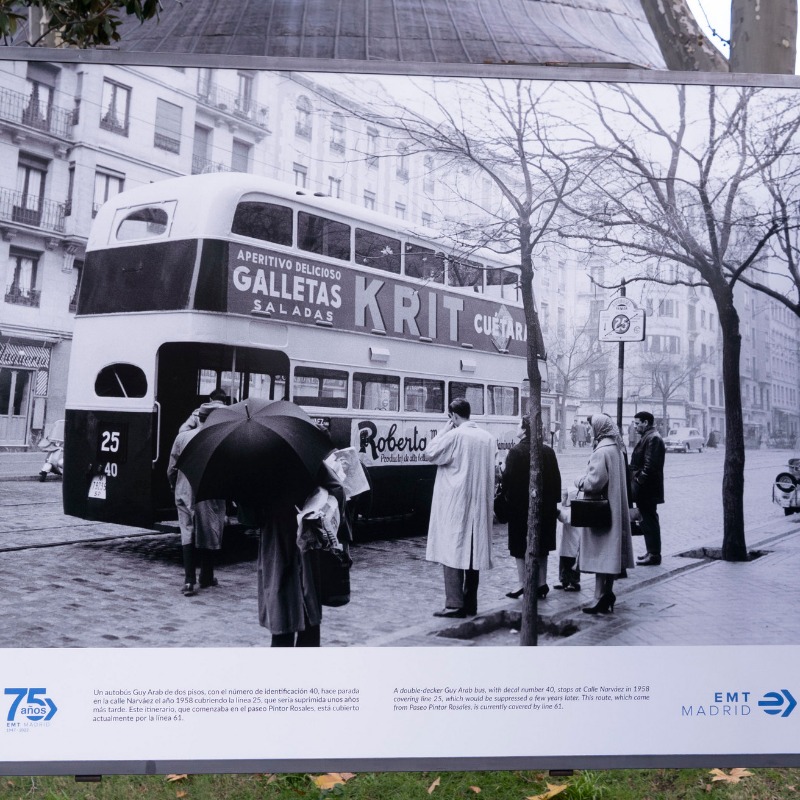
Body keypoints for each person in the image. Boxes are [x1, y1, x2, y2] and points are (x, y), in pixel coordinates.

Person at [251, 461, 349, 647]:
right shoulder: (305, 457)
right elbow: (337, 490)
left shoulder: (258, 464)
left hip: (276, 543)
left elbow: (250, 516)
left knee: (282, 613)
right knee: (308, 611)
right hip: (304, 539)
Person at [424, 398, 496, 618]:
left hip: (455, 502)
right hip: (478, 502)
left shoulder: (455, 435)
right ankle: (470, 602)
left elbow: (430, 453)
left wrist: (444, 430)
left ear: (453, 416)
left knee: (452, 549)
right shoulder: (487, 438)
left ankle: (454, 603)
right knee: (473, 552)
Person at [574, 413, 635, 614]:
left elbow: (594, 482)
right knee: (610, 555)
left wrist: (580, 482)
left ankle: (599, 596)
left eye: (592, 427)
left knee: (601, 554)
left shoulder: (601, 451)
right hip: (614, 508)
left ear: (600, 428)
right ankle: (607, 593)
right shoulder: (616, 447)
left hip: (600, 512)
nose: (590, 430)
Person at [167, 405, 227, 597]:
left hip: (185, 490)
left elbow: (171, 469)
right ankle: (207, 576)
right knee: (208, 530)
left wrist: (173, 485)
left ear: (198, 418)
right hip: (209, 492)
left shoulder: (182, 437)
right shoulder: (219, 439)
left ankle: (189, 581)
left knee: (187, 531)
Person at [501, 416, 561, 600]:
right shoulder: (548, 451)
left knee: (520, 546)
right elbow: (556, 481)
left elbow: (508, 482)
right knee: (542, 545)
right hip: (546, 507)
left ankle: (523, 583)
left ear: (525, 429)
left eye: (518, 425)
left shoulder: (515, 452)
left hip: (521, 508)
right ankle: (542, 583)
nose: (516, 428)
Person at [630, 410, 666, 566]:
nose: (635, 426)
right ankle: (651, 551)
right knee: (647, 520)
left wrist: (638, 481)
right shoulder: (650, 437)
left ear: (646, 423)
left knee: (649, 519)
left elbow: (649, 466)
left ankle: (654, 554)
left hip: (647, 489)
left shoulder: (653, 439)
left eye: (637, 423)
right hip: (647, 489)